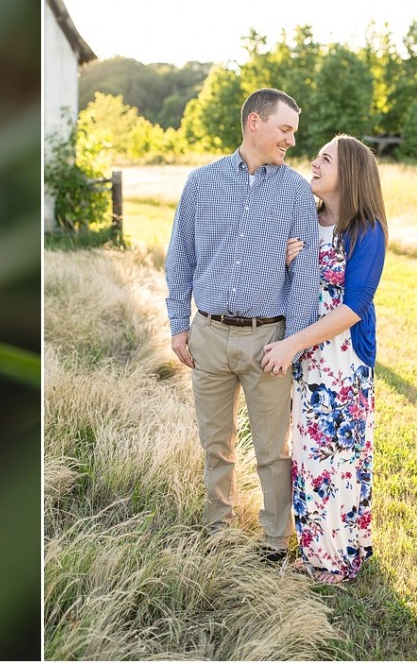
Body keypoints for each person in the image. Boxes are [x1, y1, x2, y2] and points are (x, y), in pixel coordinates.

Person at [165, 88, 320, 563]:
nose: (291, 140)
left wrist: (291, 343)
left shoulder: (296, 192)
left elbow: (306, 274)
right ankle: (218, 529)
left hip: (268, 339)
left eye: (293, 131)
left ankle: (276, 542)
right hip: (207, 335)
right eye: (285, 129)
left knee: (273, 450)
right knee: (216, 444)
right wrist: (178, 325)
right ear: (255, 122)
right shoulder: (201, 183)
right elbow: (181, 258)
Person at [260, 134, 387, 583]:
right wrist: (289, 261)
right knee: (308, 455)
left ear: (348, 173)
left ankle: (337, 557)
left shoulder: (367, 230)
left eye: (325, 159)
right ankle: (318, 549)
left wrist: (293, 345)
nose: (313, 163)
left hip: (342, 360)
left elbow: (353, 307)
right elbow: (288, 289)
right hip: (307, 360)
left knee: (337, 455)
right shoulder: (305, 221)